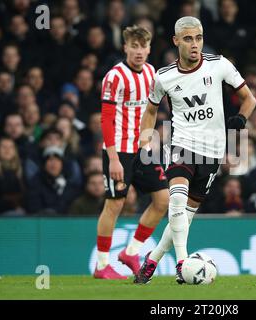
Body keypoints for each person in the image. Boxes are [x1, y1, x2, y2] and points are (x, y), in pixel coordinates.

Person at [135, 16, 256, 284]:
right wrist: (145, 140)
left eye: (198, 38)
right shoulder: (164, 76)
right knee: (175, 202)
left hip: (212, 152)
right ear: (176, 41)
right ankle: (182, 264)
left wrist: (241, 119)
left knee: (184, 218)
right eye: (188, 39)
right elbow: (152, 108)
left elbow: (249, 98)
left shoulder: (219, 65)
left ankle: (152, 260)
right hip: (182, 145)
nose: (195, 44)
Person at [94, 25, 169, 280]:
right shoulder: (114, 77)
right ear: (125, 47)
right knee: (115, 203)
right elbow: (105, 120)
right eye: (134, 46)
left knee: (163, 199)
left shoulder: (151, 73)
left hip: (142, 149)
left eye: (143, 46)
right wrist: (113, 158)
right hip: (119, 151)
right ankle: (102, 265)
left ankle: (132, 251)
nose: (139, 51)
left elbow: (153, 110)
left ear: (149, 49)